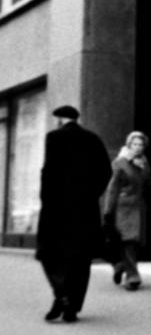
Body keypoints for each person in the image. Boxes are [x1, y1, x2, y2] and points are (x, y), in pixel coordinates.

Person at [35, 104, 112, 323]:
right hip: (85, 210)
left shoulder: (54, 138)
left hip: (56, 208)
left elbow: (48, 171)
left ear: (59, 119)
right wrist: (91, 194)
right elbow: (106, 171)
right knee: (80, 258)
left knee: (49, 252)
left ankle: (61, 294)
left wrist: (46, 200)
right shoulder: (93, 139)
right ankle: (72, 307)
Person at [103, 131, 151, 291]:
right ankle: (132, 276)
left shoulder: (144, 162)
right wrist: (108, 210)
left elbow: (147, 183)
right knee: (128, 241)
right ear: (129, 145)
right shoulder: (120, 163)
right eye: (135, 144)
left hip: (138, 206)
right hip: (123, 207)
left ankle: (120, 266)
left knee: (134, 242)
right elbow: (113, 188)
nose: (138, 147)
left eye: (141, 144)